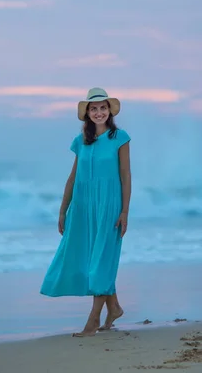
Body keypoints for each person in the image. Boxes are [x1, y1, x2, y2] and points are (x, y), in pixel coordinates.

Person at [40, 87, 131, 337]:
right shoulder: (81, 141)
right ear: (87, 113)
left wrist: (125, 210)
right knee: (91, 260)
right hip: (82, 206)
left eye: (103, 108)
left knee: (101, 260)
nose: (99, 112)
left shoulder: (120, 137)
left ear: (109, 111)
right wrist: (63, 210)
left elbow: (125, 175)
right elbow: (72, 177)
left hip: (108, 206)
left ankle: (93, 321)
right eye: (94, 108)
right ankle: (114, 308)